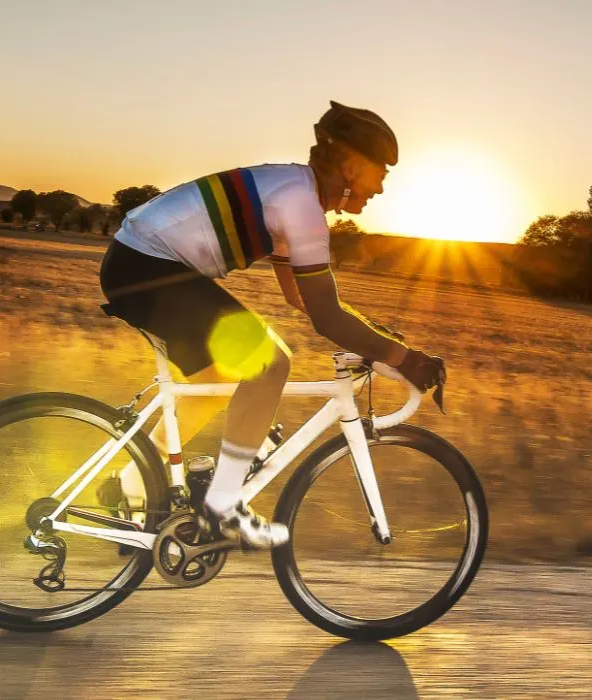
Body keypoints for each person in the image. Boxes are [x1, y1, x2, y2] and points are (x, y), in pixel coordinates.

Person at [99, 101, 445, 549]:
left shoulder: (293, 192)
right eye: (381, 172)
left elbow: (300, 298)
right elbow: (325, 317)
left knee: (219, 377)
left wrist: (380, 342)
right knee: (270, 363)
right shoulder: (299, 205)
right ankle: (222, 507)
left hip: (138, 262)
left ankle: (131, 487)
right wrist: (407, 359)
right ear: (350, 164)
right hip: (148, 264)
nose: (380, 187)